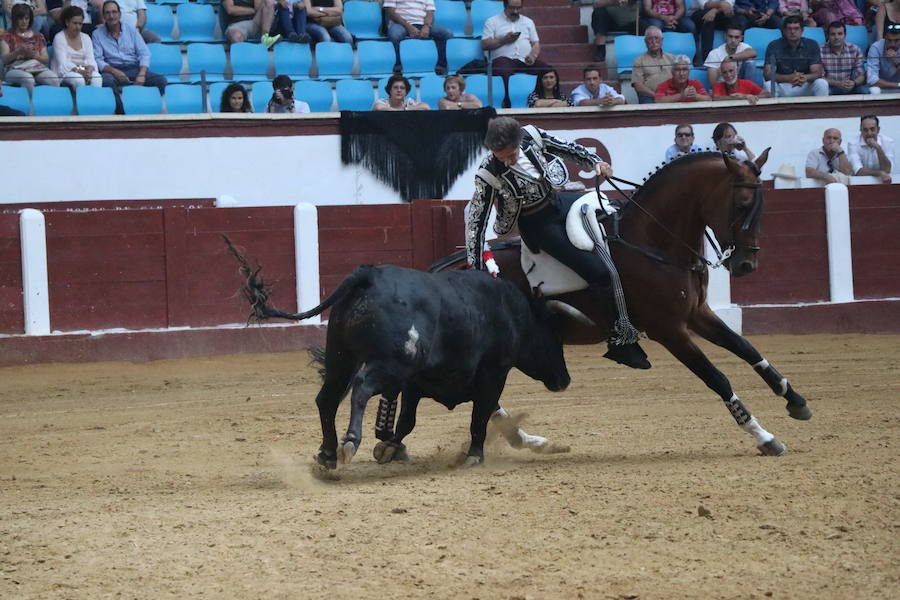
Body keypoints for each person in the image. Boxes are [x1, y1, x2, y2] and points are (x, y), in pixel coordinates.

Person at [465, 116, 651, 370]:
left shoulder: (531, 135)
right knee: (599, 273)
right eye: (500, 156)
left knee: (618, 220)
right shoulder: (488, 174)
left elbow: (568, 148)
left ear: (519, 142)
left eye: (511, 154)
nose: (506, 161)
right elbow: (477, 221)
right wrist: (476, 269)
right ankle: (619, 340)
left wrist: (596, 162)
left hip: (561, 201)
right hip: (538, 225)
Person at [92, 0, 166, 113]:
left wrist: (141, 74)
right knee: (106, 81)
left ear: (120, 14)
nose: (111, 16)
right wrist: (115, 72)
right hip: (112, 70)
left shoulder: (131, 30)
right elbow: (98, 59)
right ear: (104, 16)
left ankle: (142, 106)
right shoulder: (97, 34)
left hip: (134, 68)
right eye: (107, 13)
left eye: (114, 12)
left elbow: (144, 53)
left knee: (161, 80)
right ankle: (122, 113)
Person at [481, 0, 552, 105]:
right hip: (503, 60)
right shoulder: (492, 21)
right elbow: (485, 44)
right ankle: (507, 102)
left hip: (525, 60)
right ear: (505, 6)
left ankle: (544, 100)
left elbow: (536, 44)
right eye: (512, 8)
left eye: (518, 8)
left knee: (547, 70)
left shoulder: (528, 22)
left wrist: (532, 56)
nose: (515, 11)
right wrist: (504, 40)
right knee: (504, 70)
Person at [763, 15, 829, 96]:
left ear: (802, 30)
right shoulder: (774, 46)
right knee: (769, 85)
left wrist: (805, 77)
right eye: (789, 29)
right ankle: (774, 109)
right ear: (784, 31)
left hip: (804, 84)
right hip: (783, 85)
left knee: (821, 83)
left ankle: (821, 109)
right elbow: (768, 74)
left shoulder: (812, 44)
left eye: (796, 28)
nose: (792, 32)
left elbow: (817, 72)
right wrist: (789, 78)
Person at [384, 0, 453, 75]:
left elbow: (430, 13)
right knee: (394, 34)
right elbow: (391, 12)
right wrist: (409, 27)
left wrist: (426, 26)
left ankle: (440, 67)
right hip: (401, 24)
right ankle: (398, 68)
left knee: (447, 33)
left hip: (422, 24)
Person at [0, 4, 58, 92]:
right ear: (15, 20)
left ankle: (50, 104)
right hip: (13, 68)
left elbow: (46, 59)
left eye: (26, 18)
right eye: (20, 19)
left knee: (53, 79)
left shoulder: (38, 36)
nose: (24, 21)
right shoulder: (7, 36)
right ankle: (27, 104)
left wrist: (34, 55)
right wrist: (18, 51)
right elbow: (5, 59)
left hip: (35, 66)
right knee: (28, 79)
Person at [51, 5, 102, 89]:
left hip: (84, 70)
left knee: (97, 78)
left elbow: (91, 59)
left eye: (80, 24)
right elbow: (63, 64)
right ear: (67, 22)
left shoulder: (86, 38)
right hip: (66, 72)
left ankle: (95, 101)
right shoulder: (59, 38)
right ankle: (81, 101)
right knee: (79, 80)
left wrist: (89, 69)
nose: (78, 27)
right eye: (75, 23)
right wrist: (81, 71)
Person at [820, 20, 868, 94]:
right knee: (823, 90)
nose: (836, 37)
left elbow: (861, 75)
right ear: (828, 36)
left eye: (840, 34)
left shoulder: (855, 49)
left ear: (845, 35)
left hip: (850, 86)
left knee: (864, 91)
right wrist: (838, 84)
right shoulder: (820, 51)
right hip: (831, 87)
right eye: (833, 34)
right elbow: (820, 78)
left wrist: (854, 83)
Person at [630, 26, 675, 103]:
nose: (654, 41)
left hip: (671, 95)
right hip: (650, 97)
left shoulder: (672, 58)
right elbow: (638, 86)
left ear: (662, 40)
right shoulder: (639, 61)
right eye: (650, 39)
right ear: (645, 41)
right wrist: (657, 95)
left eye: (656, 38)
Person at [848, 114, 895, 182]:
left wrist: (878, 148)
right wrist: (879, 173)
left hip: (882, 181)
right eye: (865, 130)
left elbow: (887, 170)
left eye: (872, 129)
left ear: (878, 130)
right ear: (860, 130)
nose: (869, 133)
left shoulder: (888, 142)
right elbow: (858, 171)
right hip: (860, 182)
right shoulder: (853, 144)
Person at [693, 0, 738, 65]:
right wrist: (721, 4)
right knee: (708, 21)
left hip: (719, 12)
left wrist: (714, 11)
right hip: (699, 13)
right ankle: (707, 59)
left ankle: (733, 57)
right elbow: (705, 5)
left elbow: (728, 6)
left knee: (733, 18)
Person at [866, 25, 900, 92]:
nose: (893, 44)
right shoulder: (875, 47)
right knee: (874, 90)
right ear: (884, 38)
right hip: (881, 86)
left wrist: (896, 62)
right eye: (889, 40)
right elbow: (872, 80)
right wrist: (898, 85)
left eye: (897, 40)